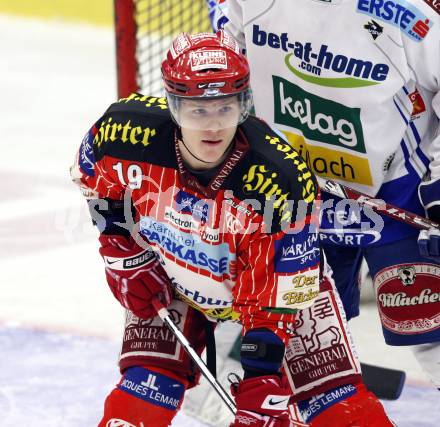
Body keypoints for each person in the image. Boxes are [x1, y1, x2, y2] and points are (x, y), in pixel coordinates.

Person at [71, 31, 393, 426]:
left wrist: (262, 378)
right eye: (197, 110)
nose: (213, 126)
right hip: (168, 270)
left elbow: (279, 290)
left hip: (282, 294)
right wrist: (124, 253)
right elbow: (97, 182)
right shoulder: (122, 133)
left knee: (335, 402)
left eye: (225, 108)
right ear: (173, 105)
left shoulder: (279, 180)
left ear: (243, 104)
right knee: (146, 385)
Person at [214, 0, 440, 402]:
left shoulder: (415, 12)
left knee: (430, 332)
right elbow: (220, 69)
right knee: (301, 335)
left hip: (398, 194)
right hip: (293, 194)